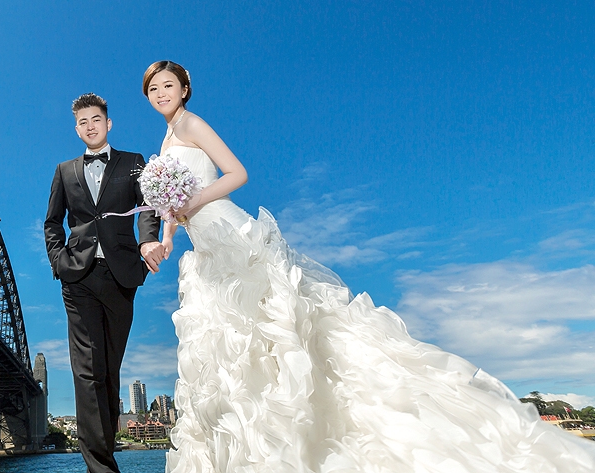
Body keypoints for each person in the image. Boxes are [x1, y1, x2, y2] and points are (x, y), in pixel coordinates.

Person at [140, 60, 595, 472]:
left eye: (168, 85)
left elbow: (237, 174)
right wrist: (168, 237)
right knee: (229, 352)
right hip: (205, 252)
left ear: (185, 89)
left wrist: (193, 202)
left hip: (234, 237)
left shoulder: (193, 124)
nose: (161, 93)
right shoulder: (165, 140)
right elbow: (174, 209)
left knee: (278, 330)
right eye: (153, 88)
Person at [44, 92, 162, 473]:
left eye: (96, 119)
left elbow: (148, 206)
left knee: (110, 370)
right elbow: (52, 222)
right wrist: (59, 262)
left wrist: (147, 241)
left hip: (120, 276)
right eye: (83, 122)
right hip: (78, 278)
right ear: (76, 129)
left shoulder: (133, 162)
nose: (90, 126)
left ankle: (104, 454)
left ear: (108, 124)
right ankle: (101, 468)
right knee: (87, 371)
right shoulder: (64, 170)